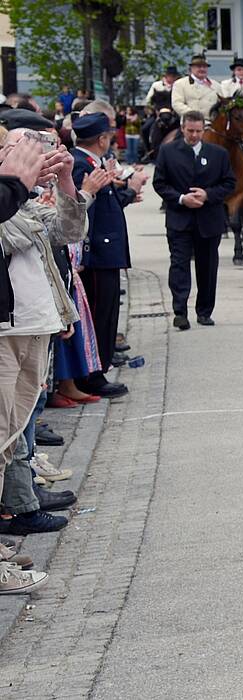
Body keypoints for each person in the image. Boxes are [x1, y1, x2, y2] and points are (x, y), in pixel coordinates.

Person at [0, 124, 90, 546]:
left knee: (15, 432)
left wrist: (68, 182)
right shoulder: (12, 201)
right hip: (9, 329)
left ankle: (17, 508)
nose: (39, 156)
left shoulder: (23, 200)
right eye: (26, 148)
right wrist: (19, 187)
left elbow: (69, 233)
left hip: (38, 325)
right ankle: (17, 510)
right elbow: (14, 235)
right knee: (4, 433)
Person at [68, 112, 142, 399]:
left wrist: (127, 193)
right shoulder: (80, 165)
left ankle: (100, 366)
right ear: (101, 139)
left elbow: (106, 203)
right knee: (99, 315)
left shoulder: (92, 162)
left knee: (108, 314)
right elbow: (82, 211)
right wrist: (84, 255)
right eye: (109, 136)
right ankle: (91, 374)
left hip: (106, 252)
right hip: (96, 254)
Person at [150, 111, 234, 330]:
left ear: (204, 130)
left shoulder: (219, 154)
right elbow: (159, 183)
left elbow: (229, 184)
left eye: (198, 131)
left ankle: (204, 311)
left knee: (207, 267)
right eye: (190, 131)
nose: (194, 135)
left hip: (209, 221)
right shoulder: (168, 151)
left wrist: (208, 195)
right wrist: (180, 199)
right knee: (179, 265)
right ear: (182, 128)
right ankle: (180, 312)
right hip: (180, 220)